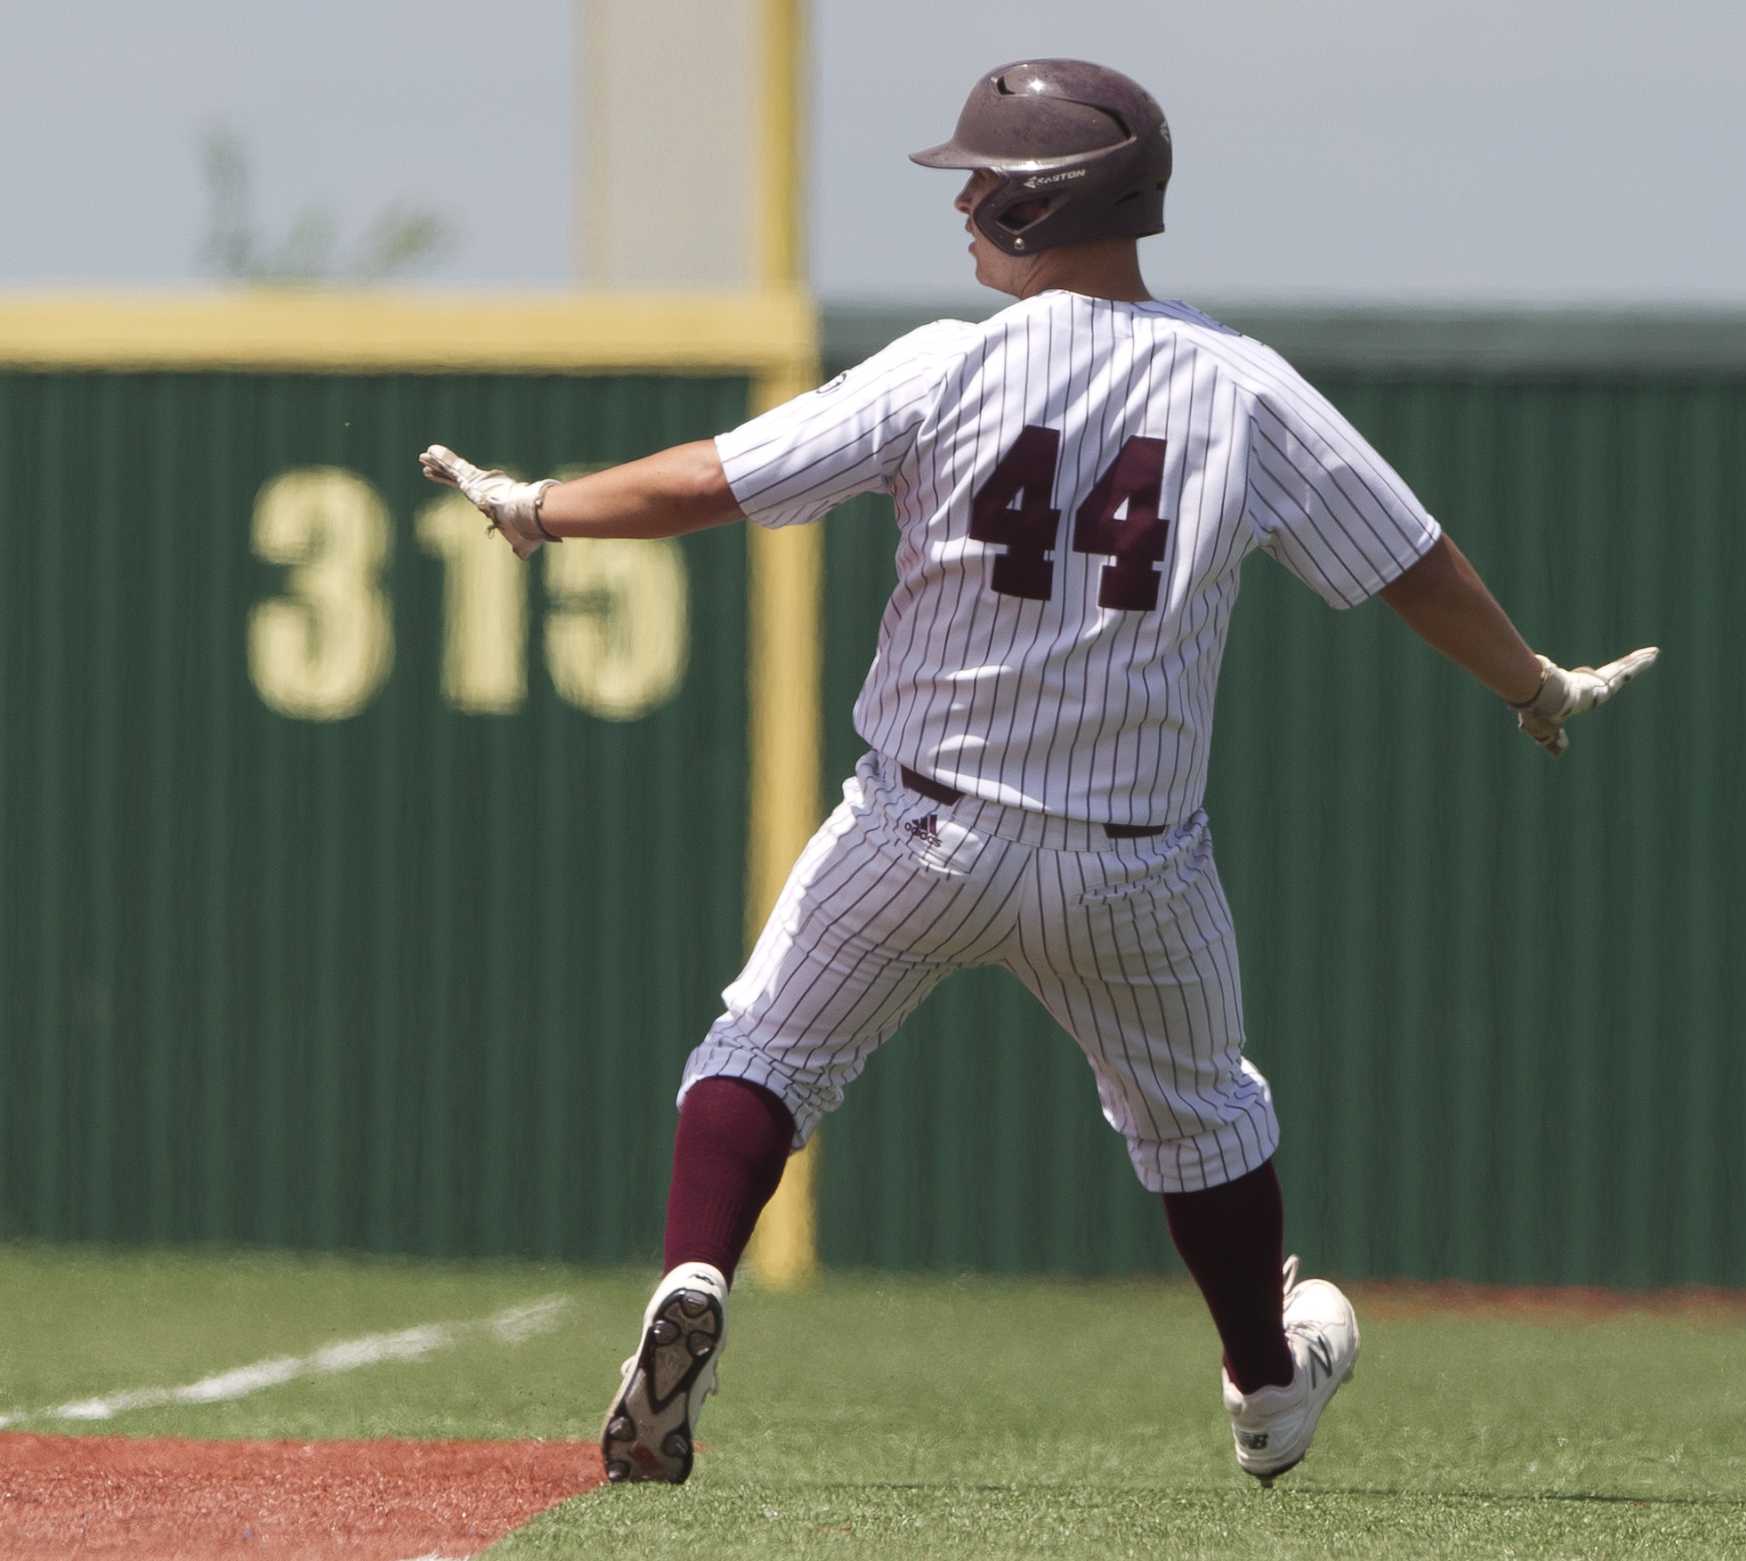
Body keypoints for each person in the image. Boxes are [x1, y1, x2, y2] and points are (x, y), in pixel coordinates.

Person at [420, 57, 1656, 1490]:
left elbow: (716, 478)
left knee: (761, 1053)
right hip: (1129, 860)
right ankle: (1265, 1383)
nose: (963, 203)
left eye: (979, 177)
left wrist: (541, 507)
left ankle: (695, 1270)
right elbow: (1411, 563)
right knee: (1205, 1122)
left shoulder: (946, 362)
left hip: (917, 827)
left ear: (1035, 196)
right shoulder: (1243, 385)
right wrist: (1532, 680)